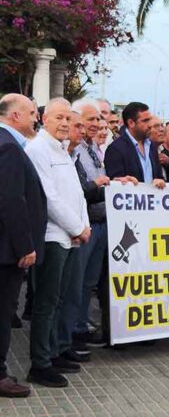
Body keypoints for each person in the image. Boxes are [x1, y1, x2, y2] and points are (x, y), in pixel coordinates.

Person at [25, 98, 91, 387]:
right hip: (53, 237)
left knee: (59, 299)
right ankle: (40, 364)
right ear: (44, 119)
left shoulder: (62, 149)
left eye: (68, 118)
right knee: (46, 303)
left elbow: (76, 193)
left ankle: (53, 353)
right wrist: (77, 227)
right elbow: (48, 198)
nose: (65, 123)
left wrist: (83, 226)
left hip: (71, 237)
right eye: (59, 118)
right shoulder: (38, 149)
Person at [0, 94, 46, 398]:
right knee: (3, 313)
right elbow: (11, 200)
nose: (36, 118)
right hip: (7, 250)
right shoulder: (9, 147)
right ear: (15, 115)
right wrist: (25, 246)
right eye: (31, 113)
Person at [70, 100, 112, 353]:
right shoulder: (74, 151)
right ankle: (73, 330)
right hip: (84, 226)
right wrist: (98, 185)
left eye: (98, 119)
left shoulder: (92, 148)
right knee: (76, 281)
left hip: (100, 223)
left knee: (88, 281)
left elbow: (99, 183)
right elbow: (80, 190)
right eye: (91, 119)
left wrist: (116, 184)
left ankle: (81, 324)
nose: (97, 124)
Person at [104, 102, 166, 186]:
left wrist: (161, 182)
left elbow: (159, 176)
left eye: (150, 120)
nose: (150, 125)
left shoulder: (151, 146)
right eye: (145, 121)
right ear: (131, 123)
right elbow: (115, 184)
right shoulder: (116, 149)